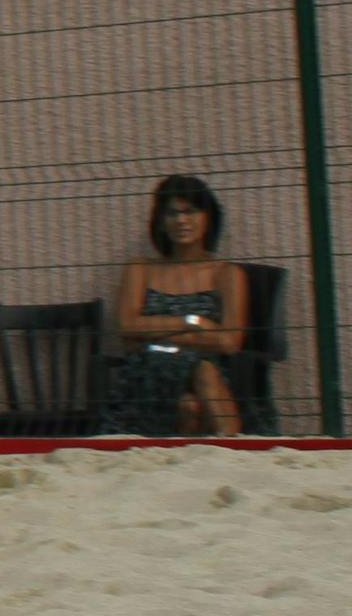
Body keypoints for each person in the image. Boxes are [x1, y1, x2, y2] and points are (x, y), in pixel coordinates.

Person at [103, 173, 246, 435]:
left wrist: (153, 333)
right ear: (160, 222)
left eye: (190, 211)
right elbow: (126, 327)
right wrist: (193, 323)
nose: (181, 220)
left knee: (192, 399)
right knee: (198, 380)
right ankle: (234, 444)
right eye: (171, 214)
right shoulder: (140, 268)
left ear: (208, 217)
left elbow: (229, 342)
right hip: (147, 372)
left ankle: (228, 449)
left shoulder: (226, 273)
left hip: (202, 375)